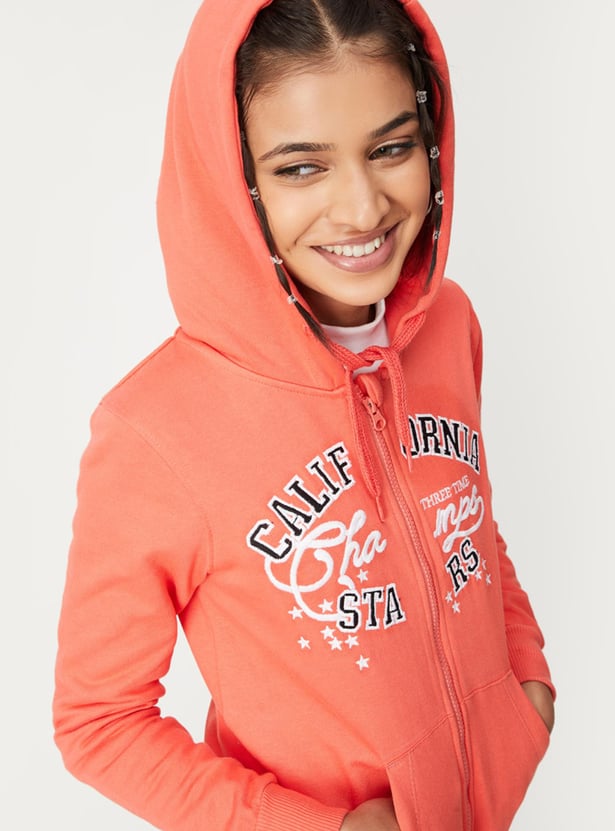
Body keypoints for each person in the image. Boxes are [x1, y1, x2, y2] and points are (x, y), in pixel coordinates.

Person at [53, 1, 555, 829]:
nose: (359, 207)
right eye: (300, 167)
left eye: (390, 148)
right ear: (231, 177)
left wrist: (524, 687)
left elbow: (464, 517)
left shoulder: (450, 325)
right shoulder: (156, 431)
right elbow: (98, 721)